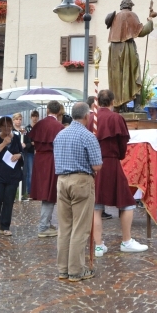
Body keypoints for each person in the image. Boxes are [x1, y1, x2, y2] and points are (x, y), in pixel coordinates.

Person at [87, 89, 148, 256]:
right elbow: (122, 143)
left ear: (98, 102)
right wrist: (118, 156)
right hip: (111, 163)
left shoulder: (91, 118)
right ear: (113, 102)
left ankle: (98, 245)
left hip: (92, 165)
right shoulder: (116, 118)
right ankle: (127, 241)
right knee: (127, 202)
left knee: (96, 206)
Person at [54, 102, 102, 282]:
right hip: (81, 180)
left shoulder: (60, 134)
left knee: (64, 227)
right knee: (80, 229)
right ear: (87, 117)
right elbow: (97, 165)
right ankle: (76, 270)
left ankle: (63, 269)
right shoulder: (88, 136)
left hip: (62, 181)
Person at [105, 0, 156, 108]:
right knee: (133, 75)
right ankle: (137, 107)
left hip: (113, 49)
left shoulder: (115, 17)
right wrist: (150, 21)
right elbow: (141, 32)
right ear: (130, 7)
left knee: (117, 77)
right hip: (127, 47)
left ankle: (119, 106)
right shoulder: (130, 15)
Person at [29, 101, 64, 238]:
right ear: (59, 111)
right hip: (52, 160)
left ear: (47, 110)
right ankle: (43, 226)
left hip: (39, 160)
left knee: (46, 193)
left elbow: (33, 141)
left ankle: (47, 223)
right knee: (49, 194)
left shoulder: (39, 124)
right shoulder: (59, 127)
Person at [0, 116, 23, 235]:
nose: (7, 128)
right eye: (4, 125)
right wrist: (4, 143)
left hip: (12, 174)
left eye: (9, 125)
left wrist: (19, 156)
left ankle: (5, 226)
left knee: (9, 200)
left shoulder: (16, 137)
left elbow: (21, 152)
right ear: (0, 127)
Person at [22, 110, 38, 198]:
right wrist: (31, 143)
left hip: (38, 152)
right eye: (33, 116)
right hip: (29, 152)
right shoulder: (27, 128)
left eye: (36, 116)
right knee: (30, 172)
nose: (35, 118)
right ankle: (29, 191)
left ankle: (36, 190)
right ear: (31, 118)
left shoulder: (39, 127)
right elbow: (25, 141)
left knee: (37, 172)